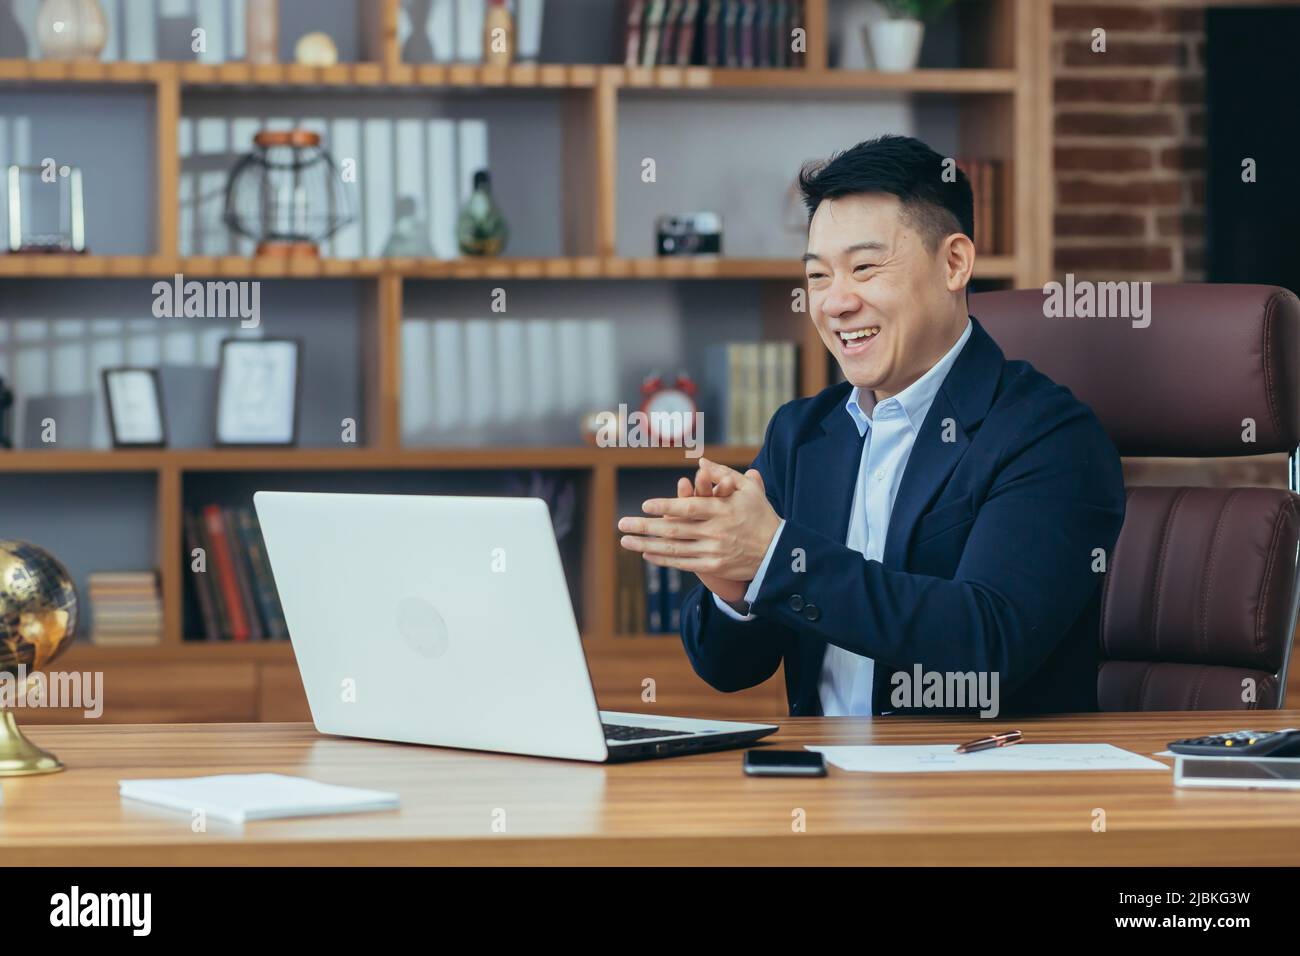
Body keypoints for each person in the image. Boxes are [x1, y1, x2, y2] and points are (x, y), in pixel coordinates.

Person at [617, 135, 1125, 716]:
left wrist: (775, 556)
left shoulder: (1049, 436)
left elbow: (987, 644)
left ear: (954, 262)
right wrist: (734, 585)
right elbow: (730, 670)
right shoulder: (802, 435)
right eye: (817, 277)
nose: (835, 303)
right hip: (820, 785)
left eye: (863, 267)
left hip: (971, 786)